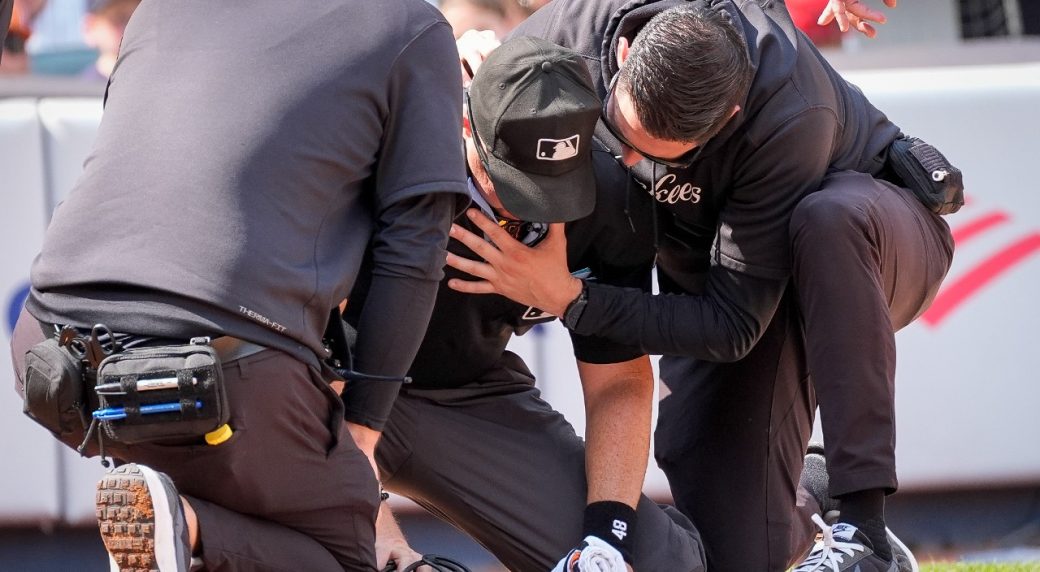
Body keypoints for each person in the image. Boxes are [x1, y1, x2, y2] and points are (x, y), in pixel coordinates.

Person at [447, 1, 954, 571]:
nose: (628, 160)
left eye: (653, 156)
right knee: (726, 551)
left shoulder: (786, 115)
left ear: (728, 116)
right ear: (623, 53)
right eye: (621, 135)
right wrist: (465, 71)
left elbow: (733, 326)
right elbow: (486, 101)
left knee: (827, 221)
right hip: (725, 274)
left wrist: (570, 298)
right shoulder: (571, 38)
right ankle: (817, 497)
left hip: (871, 242)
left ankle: (865, 534)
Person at [9, 0, 468, 570]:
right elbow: (414, 249)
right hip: (219, 361)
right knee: (352, 553)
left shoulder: (159, 6)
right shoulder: (412, 25)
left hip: (47, 349)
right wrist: (363, 429)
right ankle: (189, 526)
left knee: (219, 516)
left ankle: (178, 526)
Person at [345, 36, 707, 572]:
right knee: (332, 541)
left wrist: (606, 539)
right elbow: (299, 339)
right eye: (507, 182)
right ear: (466, 122)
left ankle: (800, 504)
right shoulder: (385, 157)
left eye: (550, 187)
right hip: (332, 388)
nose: (524, 206)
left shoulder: (610, 197)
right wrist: (372, 524)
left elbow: (618, 379)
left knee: (662, 564)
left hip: (465, 395)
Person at [80, 0, 140, 81]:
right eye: (119, 18)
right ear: (90, 27)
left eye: (136, 18)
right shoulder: (82, 89)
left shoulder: (153, 79)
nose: (128, 26)